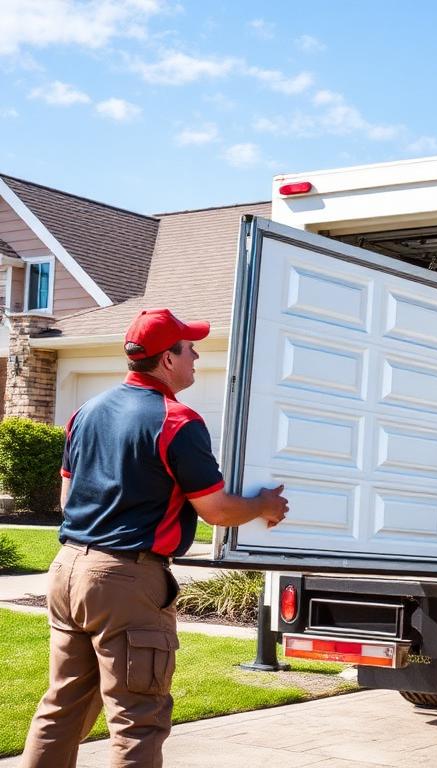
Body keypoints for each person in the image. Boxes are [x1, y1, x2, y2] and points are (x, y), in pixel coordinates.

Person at [21, 308, 289, 768]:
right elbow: (217, 509)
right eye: (189, 348)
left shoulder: (87, 412)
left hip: (67, 569)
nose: (196, 355)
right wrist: (263, 506)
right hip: (126, 579)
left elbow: (68, 498)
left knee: (62, 707)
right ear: (167, 359)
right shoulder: (177, 421)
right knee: (137, 720)